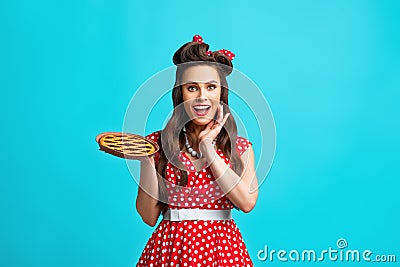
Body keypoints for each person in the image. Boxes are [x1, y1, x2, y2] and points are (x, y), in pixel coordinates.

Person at [135, 35, 258, 267]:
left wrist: (209, 149)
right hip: (170, 249)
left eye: (210, 87)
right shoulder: (156, 144)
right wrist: (146, 156)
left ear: (220, 93)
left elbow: (246, 202)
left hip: (222, 249)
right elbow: (148, 216)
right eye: (192, 88)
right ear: (180, 93)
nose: (202, 96)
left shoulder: (240, 148)